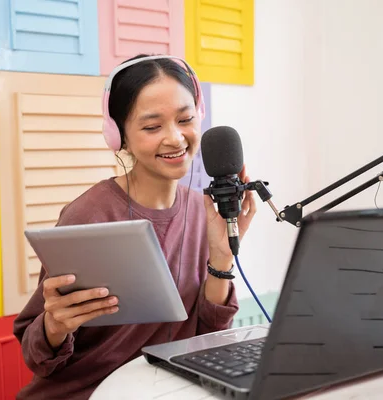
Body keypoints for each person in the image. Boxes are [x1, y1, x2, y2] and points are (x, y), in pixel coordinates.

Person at [13, 54, 257, 399]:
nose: (175, 138)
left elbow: (208, 334)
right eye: (152, 126)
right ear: (119, 135)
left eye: (185, 119)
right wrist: (55, 325)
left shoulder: (204, 210)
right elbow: (35, 354)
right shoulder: (89, 214)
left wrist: (221, 259)